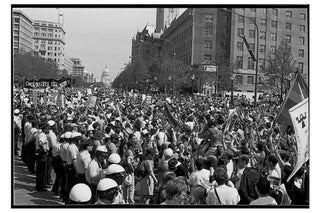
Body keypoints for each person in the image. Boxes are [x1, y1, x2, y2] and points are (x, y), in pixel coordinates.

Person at [65, 132, 81, 203]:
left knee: (69, 184)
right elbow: (74, 161)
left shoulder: (71, 146)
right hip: (72, 167)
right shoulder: (73, 147)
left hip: (70, 167)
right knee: (72, 184)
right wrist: (77, 171)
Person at [35, 122, 50, 192]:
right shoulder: (43, 135)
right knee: (42, 170)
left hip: (39, 154)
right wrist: (44, 150)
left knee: (40, 170)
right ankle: (40, 186)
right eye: (48, 129)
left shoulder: (40, 134)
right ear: (45, 129)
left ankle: (40, 185)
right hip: (42, 154)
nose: (49, 130)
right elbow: (40, 143)